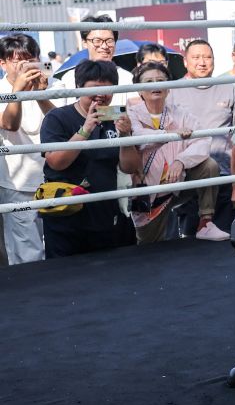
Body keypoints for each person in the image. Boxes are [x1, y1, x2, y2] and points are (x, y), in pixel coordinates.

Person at [38, 60, 138, 258]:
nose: (101, 94)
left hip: (105, 211)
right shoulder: (57, 117)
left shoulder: (116, 117)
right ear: (78, 87)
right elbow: (57, 162)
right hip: (65, 212)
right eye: (94, 87)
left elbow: (130, 167)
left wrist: (126, 136)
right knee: (65, 276)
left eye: (108, 87)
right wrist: (86, 129)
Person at [127, 61, 229, 243]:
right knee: (147, 246)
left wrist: (181, 161)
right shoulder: (132, 113)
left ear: (169, 88)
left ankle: (205, 223)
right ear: (139, 90)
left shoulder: (181, 113)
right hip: (148, 192)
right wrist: (170, 134)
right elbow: (138, 136)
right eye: (149, 81)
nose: (156, 85)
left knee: (209, 165)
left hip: (177, 183)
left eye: (160, 80)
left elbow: (203, 140)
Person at [169, 39, 235, 231]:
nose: (202, 62)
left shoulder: (229, 89)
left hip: (224, 179)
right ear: (185, 61)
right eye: (196, 57)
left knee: (223, 246)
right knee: (190, 247)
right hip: (189, 180)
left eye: (207, 57)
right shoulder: (172, 91)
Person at [0, 34, 55, 264]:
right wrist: (18, 92)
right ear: (2, 63)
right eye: (16, 60)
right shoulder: (2, 88)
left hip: (52, 180)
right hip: (16, 183)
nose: (24, 65)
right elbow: (9, 124)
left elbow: (58, 121)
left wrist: (40, 94)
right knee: (26, 253)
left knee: (55, 246)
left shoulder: (51, 83)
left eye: (29, 58)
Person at [58, 15, 133, 104]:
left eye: (109, 41)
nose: (104, 46)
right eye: (97, 41)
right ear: (84, 42)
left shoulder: (128, 79)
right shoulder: (69, 78)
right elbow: (58, 113)